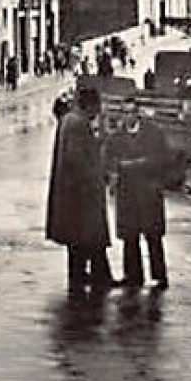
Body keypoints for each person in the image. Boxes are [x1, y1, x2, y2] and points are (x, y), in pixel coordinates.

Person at [45, 85, 117, 298]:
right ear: (91, 105)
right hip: (80, 194)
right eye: (98, 106)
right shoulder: (77, 124)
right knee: (84, 238)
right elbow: (76, 158)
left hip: (74, 193)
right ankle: (85, 279)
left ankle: (94, 276)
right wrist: (94, 177)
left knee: (82, 241)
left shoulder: (71, 120)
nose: (100, 110)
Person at [109, 108, 172, 290]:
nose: (127, 116)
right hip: (127, 192)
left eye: (131, 112)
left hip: (148, 191)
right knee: (130, 235)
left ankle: (159, 276)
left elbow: (162, 158)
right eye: (124, 112)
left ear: (137, 114)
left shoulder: (154, 134)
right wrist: (114, 173)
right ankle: (133, 276)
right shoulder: (116, 137)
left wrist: (134, 165)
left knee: (153, 235)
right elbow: (109, 159)